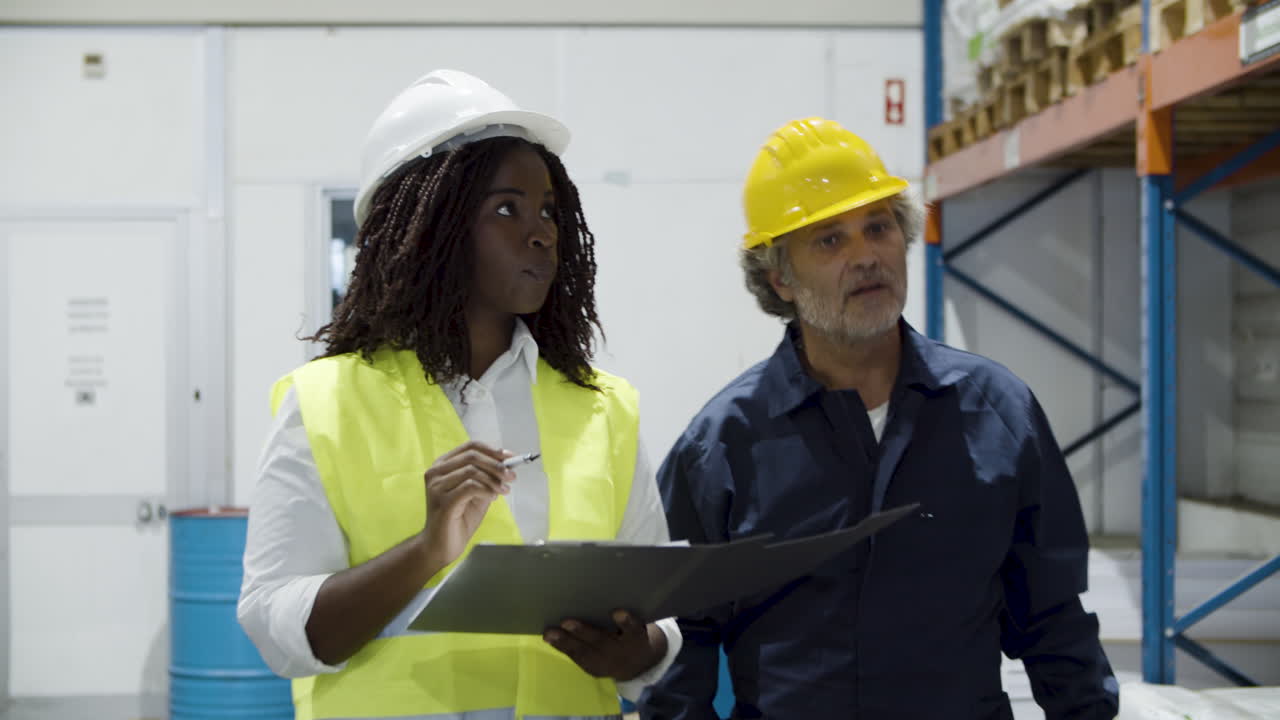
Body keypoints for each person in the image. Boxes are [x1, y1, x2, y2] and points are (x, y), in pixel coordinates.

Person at [638, 117, 1119, 719]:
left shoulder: (997, 412)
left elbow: (1053, 621)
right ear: (778, 277)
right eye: (830, 240)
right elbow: (678, 650)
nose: (867, 256)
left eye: (879, 227)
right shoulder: (724, 445)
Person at [237, 69, 681, 720]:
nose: (542, 232)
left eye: (548, 211)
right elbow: (277, 629)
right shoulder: (326, 404)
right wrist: (424, 553)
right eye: (507, 208)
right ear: (427, 228)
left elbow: (657, 613)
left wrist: (634, 653)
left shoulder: (603, 410)